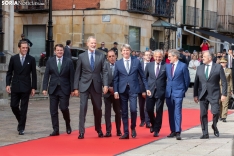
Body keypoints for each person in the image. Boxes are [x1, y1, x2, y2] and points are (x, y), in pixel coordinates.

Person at [113, 44, 151, 139]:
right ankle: (126, 132)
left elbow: (143, 77)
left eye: (127, 50)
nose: (126, 52)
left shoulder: (136, 62)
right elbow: (115, 79)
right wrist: (116, 91)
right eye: (124, 50)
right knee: (124, 112)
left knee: (133, 110)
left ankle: (133, 127)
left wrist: (147, 88)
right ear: (121, 52)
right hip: (122, 90)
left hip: (133, 89)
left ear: (130, 51)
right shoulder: (118, 63)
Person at [74, 36, 108, 139]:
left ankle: (99, 129)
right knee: (83, 108)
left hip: (97, 85)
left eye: (95, 43)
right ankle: (81, 131)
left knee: (98, 109)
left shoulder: (101, 56)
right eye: (92, 43)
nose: (93, 45)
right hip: (84, 85)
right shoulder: (81, 56)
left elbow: (105, 71)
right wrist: (76, 87)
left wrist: (105, 84)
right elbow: (77, 72)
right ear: (87, 44)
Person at [42, 44, 74, 136]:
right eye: (58, 50)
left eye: (61, 50)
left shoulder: (68, 61)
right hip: (53, 89)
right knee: (53, 110)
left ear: (63, 51)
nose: (59, 52)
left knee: (64, 108)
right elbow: (46, 75)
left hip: (64, 89)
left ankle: (68, 124)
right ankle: (56, 130)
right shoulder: (50, 61)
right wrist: (44, 88)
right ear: (55, 51)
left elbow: (72, 76)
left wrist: (73, 89)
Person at [6, 40, 37, 135]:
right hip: (15, 86)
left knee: (24, 108)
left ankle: (21, 128)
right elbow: (9, 72)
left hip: (26, 87)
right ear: (19, 48)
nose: (25, 49)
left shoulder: (31, 59)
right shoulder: (13, 58)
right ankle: (21, 120)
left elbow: (34, 75)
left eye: (26, 48)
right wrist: (8, 84)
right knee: (13, 105)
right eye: (23, 48)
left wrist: (33, 87)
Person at [194, 51, 227, 139]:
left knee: (215, 112)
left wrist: (224, 94)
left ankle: (214, 125)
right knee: (203, 114)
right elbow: (196, 83)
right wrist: (195, 95)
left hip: (214, 93)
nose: (202, 58)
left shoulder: (218, 67)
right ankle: (205, 133)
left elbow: (224, 82)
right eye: (202, 56)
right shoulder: (199, 68)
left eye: (204, 56)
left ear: (210, 58)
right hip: (202, 94)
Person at [165, 49, 190, 140]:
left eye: (169, 56)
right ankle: (172, 130)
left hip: (178, 92)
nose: (168, 58)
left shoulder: (183, 66)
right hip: (169, 93)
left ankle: (178, 131)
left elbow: (186, 80)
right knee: (170, 112)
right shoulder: (167, 66)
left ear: (175, 56)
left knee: (177, 112)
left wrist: (183, 90)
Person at [145, 50, 167, 137]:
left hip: (160, 92)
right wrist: (146, 89)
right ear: (153, 57)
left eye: (160, 57)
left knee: (159, 111)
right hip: (150, 91)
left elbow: (168, 79)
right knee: (149, 109)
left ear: (162, 57)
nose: (158, 58)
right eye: (156, 57)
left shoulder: (165, 66)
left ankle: (157, 129)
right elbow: (144, 78)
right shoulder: (149, 65)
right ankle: (153, 124)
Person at [103, 50, 122, 137]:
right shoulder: (104, 66)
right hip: (107, 93)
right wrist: (106, 87)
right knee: (107, 112)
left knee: (118, 112)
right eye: (110, 56)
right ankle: (108, 131)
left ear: (116, 56)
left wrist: (115, 89)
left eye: (113, 56)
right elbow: (101, 77)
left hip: (117, 92)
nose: (111, 58)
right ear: (107, 58)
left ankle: (118, 130)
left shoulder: (119, 65)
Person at [138, 51, 151, 128]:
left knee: (148, 105)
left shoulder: (153, 65)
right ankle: (142, 120)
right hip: (140, 88)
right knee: (141, 105)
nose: (148, 56)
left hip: (149, 88)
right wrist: (142, 90)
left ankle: (148, 121)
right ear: (143, 56)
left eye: (150, 55)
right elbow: (139, 78)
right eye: (147, 55)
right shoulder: (140, 65)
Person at [219, 58, 232, 122]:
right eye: (221, 62)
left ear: (226, 63)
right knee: (219, 103)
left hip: (227, 88)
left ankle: (224, 116)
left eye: (224, 62)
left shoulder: (229, 70)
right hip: (218, 88)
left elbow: (230, 80)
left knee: (225, 103)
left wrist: (231, 89)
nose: (222, 63)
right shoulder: (217, 69)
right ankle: (220, 115)